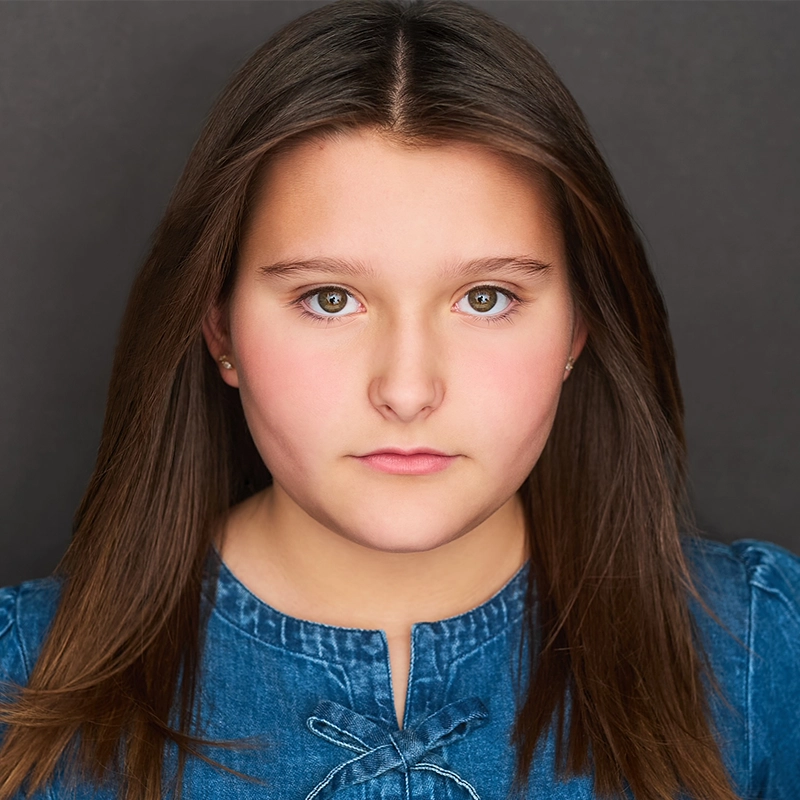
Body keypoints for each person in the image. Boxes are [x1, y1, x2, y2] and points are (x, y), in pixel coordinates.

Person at [1, 0, 798, 798]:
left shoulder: (762, 653)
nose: (408, 391)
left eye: (485, 298)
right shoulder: (16, 688)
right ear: (219, 329)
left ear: (578, 327)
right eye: (328, 298)